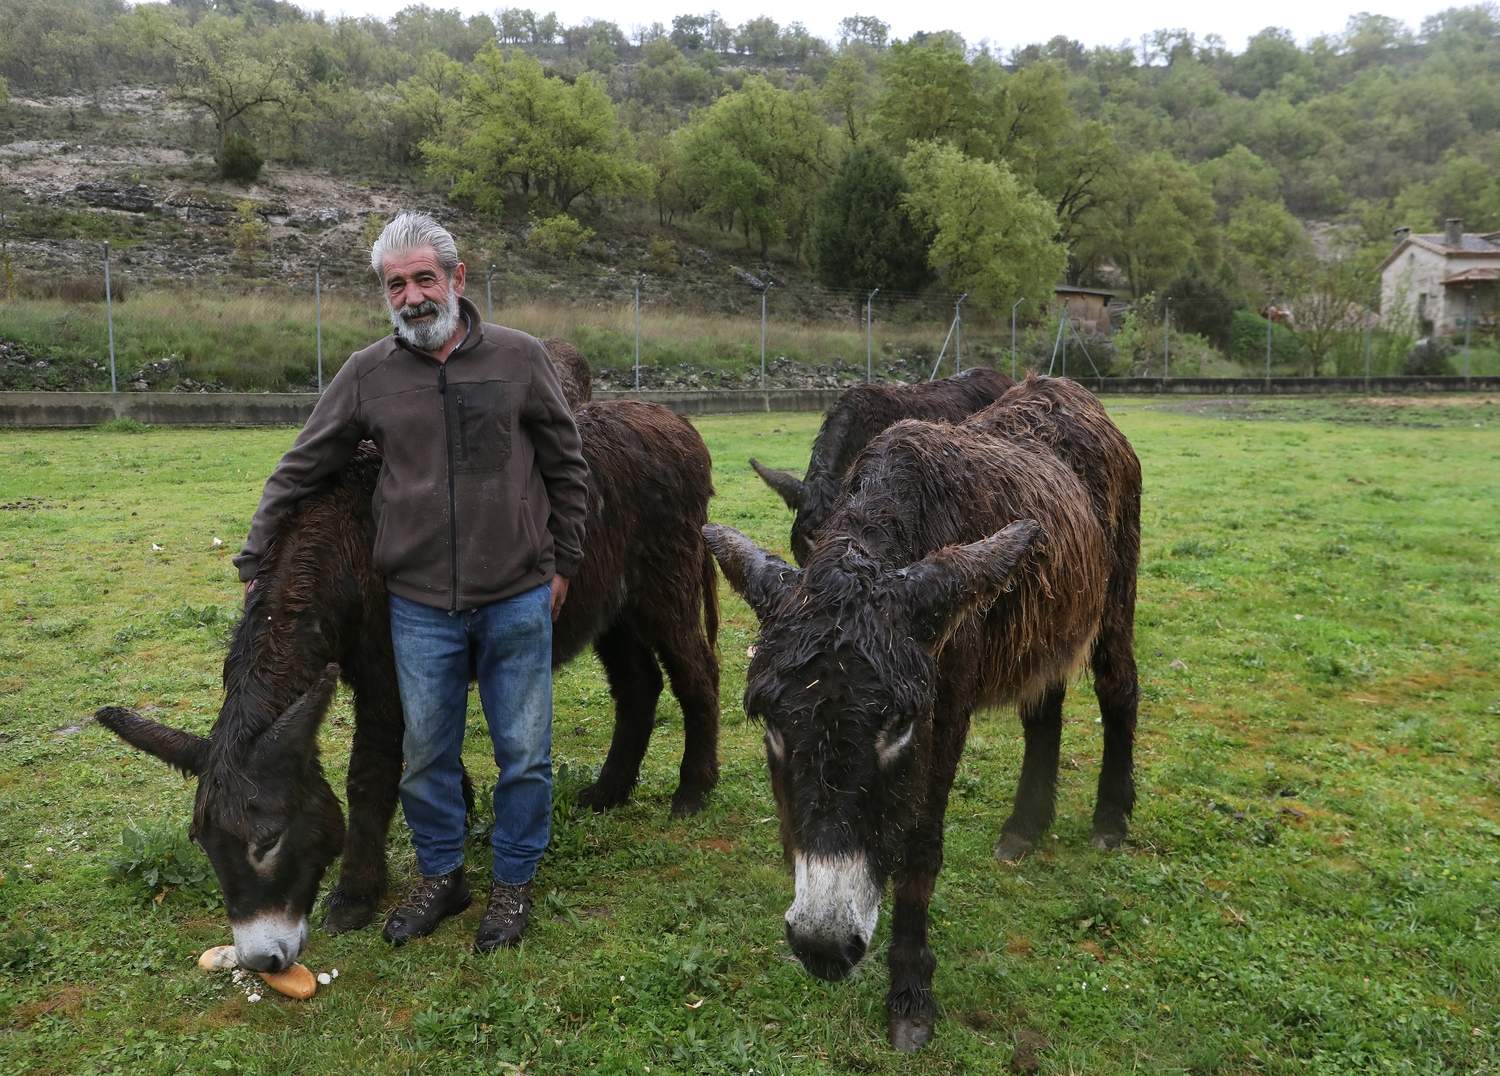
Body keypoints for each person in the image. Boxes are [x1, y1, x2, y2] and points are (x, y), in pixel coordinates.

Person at [233, 211, 589, 952]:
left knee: (522, 753)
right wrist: (255, 557)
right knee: (426, 754)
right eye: (396, 284)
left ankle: (514, 882)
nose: (412, 296)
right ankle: (441, 876)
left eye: (424, 278)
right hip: (420, 606)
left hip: (517, 595)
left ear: (458, 279)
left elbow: (566, 468)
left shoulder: (521, 360)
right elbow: (301, 466)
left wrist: (563, 565)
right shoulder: (367, 374)